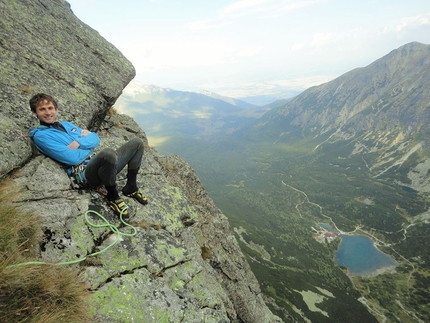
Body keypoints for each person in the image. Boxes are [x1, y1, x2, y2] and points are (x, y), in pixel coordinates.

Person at [29, 93, 148, 217]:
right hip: (84, 175)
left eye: (50, 108)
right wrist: (87, 144)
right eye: (42, 109)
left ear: (56, 109)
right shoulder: (41, 136)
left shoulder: (66, 125)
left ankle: (131, 187)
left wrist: (78, 143)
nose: (48, 112)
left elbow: (95, 139)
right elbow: (72, 158)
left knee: (137, 143)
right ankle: (113, 196)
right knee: (108, 154)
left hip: (99, 165)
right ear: (34, 113)